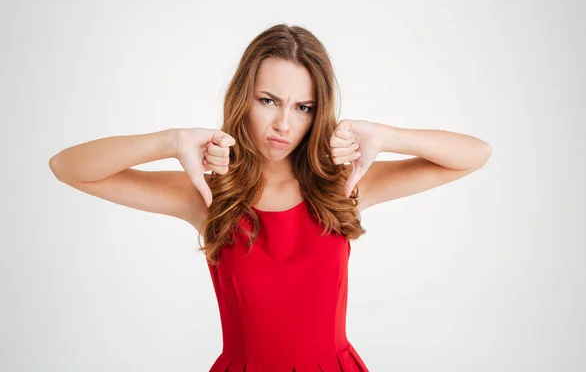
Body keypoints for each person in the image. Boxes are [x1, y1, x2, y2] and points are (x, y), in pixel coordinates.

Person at [49, 23, 492, 371]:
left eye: (304, 107)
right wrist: (171, 140)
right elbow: (68, 167)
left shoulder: (342, 186)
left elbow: (475, 155)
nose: (284, 123)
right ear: (244, 98)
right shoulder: (208, 193)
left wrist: (386, 135)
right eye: (268, 100)